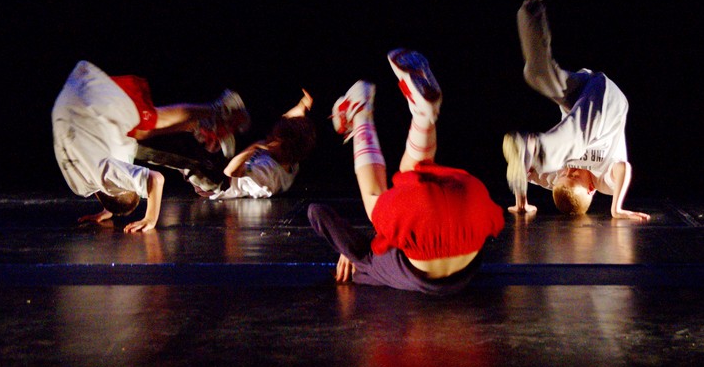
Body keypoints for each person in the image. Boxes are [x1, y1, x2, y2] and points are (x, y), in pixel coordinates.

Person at [308, 49, 505, 295]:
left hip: (469, 214)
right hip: (439, 224)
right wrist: (345, 248)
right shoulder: (368, 263)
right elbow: (317, 212)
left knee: (410, 176)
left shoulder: (375, 264)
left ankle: (417, 117)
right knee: (381, 198)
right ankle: (366, 113)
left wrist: (350, 249)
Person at [502, 0, 650, 221]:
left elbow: (523, 172)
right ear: (591, 188)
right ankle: (538, 146)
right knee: (577, 138)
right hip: (609, 105)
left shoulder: (550, 177)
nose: (569, 170)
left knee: (537, 75)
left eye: (564, 175)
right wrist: (616, 207)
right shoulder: (603, 182)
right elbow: (624, 168)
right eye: (575, 176)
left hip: (579, 95)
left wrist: (522, 203)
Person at [52, 60, 249, 233]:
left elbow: (155, 179)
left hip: (96, 102)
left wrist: (150, 219)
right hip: (75, 93)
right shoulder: (81, 186)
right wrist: (109, 209)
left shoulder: (108, 175)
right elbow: (105, 186)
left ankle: (220, 108)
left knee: (153, 121)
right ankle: (200, 125)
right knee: (139, 133)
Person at [183, 89, 316, 199]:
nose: (268, 137)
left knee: (183, 150)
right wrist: (302, 106)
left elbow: (229, 172)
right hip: (229, 162)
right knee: (237, 120)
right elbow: (287, 126)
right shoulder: (288, 157)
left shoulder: (269, 178)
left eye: (273, 137)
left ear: (285, 149)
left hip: (218, 182)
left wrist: (254, 147)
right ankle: (209, 128)